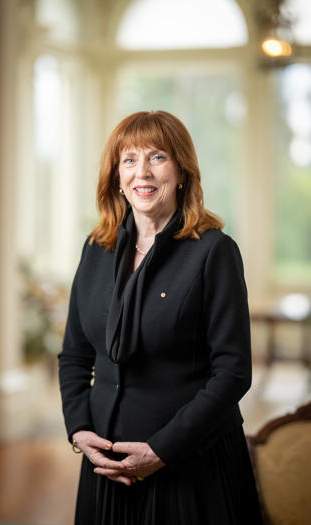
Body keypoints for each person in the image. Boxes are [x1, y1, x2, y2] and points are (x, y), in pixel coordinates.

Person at [58, 110, 263, 525]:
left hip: (189, 466)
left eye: (157, 157)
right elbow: (75, 356)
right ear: (116, 175)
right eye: (129, 160)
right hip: (106, 464)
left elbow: (233, 372)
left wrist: (161, 451)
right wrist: (79, 430)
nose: (142, 173)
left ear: (182, 170)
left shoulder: (214, 252)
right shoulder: (96, 249)